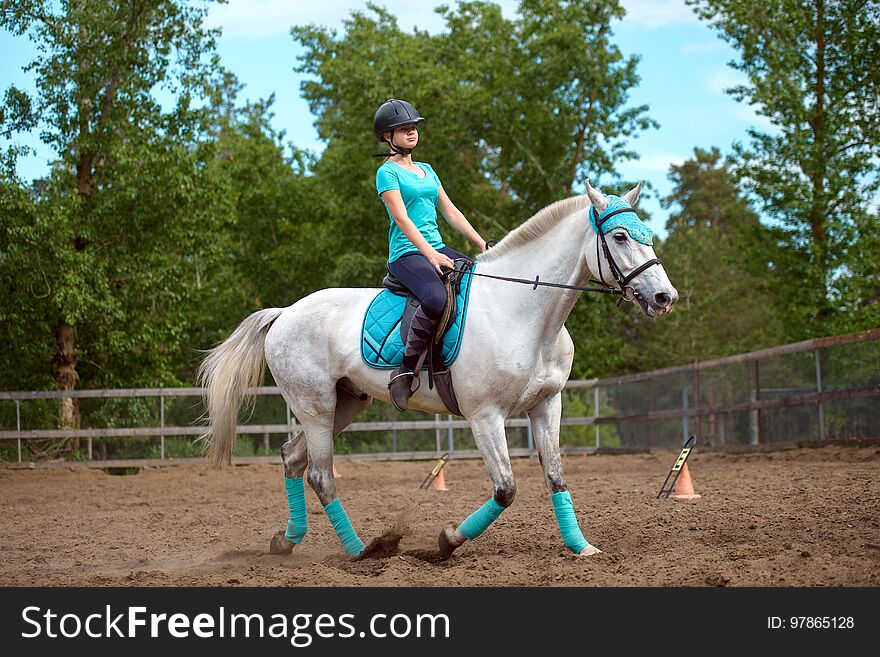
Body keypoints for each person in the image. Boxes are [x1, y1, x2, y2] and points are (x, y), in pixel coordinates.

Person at [374, 99, 487, 412]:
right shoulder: (387, 173)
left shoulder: (427, 170)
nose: (412, 132)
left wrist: (482, 245)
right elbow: (402, 219)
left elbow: (450, 211)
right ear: (387, 136)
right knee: (436, 297)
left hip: (435, 248)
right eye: (404, 129)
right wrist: (431, 255)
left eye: (414, 127)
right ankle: (405, 371)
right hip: (407, 255)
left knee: (477, 279)